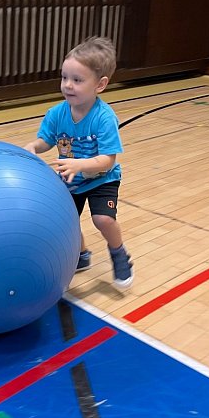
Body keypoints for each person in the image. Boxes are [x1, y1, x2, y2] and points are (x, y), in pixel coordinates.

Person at [24, 36, 133, 289]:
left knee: (102, 219)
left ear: (100, 84)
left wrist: (80, 165)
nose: (68, 85)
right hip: (71, 179)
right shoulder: (56, 113)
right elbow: (46, 140)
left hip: (102, 179)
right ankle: (81, 255)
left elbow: (107, 161)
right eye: (64, 77)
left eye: (77, 80)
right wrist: (34, 147)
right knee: (66, 221)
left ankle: (119, 254)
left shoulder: (104, 118)